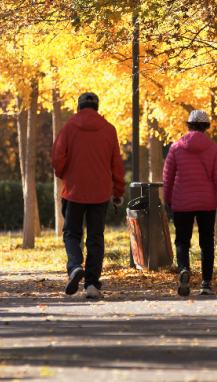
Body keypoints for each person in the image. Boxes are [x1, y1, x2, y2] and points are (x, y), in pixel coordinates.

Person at [51, 92, 126, 299]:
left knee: (72, 234)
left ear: (79, 106)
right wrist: (118, 191)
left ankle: (75, 266)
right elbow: (116, 164)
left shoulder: (68, 126)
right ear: (97, 108)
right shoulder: (109, 129)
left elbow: (57, 158)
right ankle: (92, 284)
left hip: (73, 190)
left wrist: (62, 174)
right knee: (95, 238)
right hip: (100, 192)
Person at [162, 110, 217, 296]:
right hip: (207, 202)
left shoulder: (176, 147)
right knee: (207, 243)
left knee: (183, 241)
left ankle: (184, 270)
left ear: (189, 125)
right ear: (206, 127)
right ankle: (206, 284)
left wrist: (168, 200)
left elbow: (167, 178)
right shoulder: (213, 149)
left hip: (182, 202)